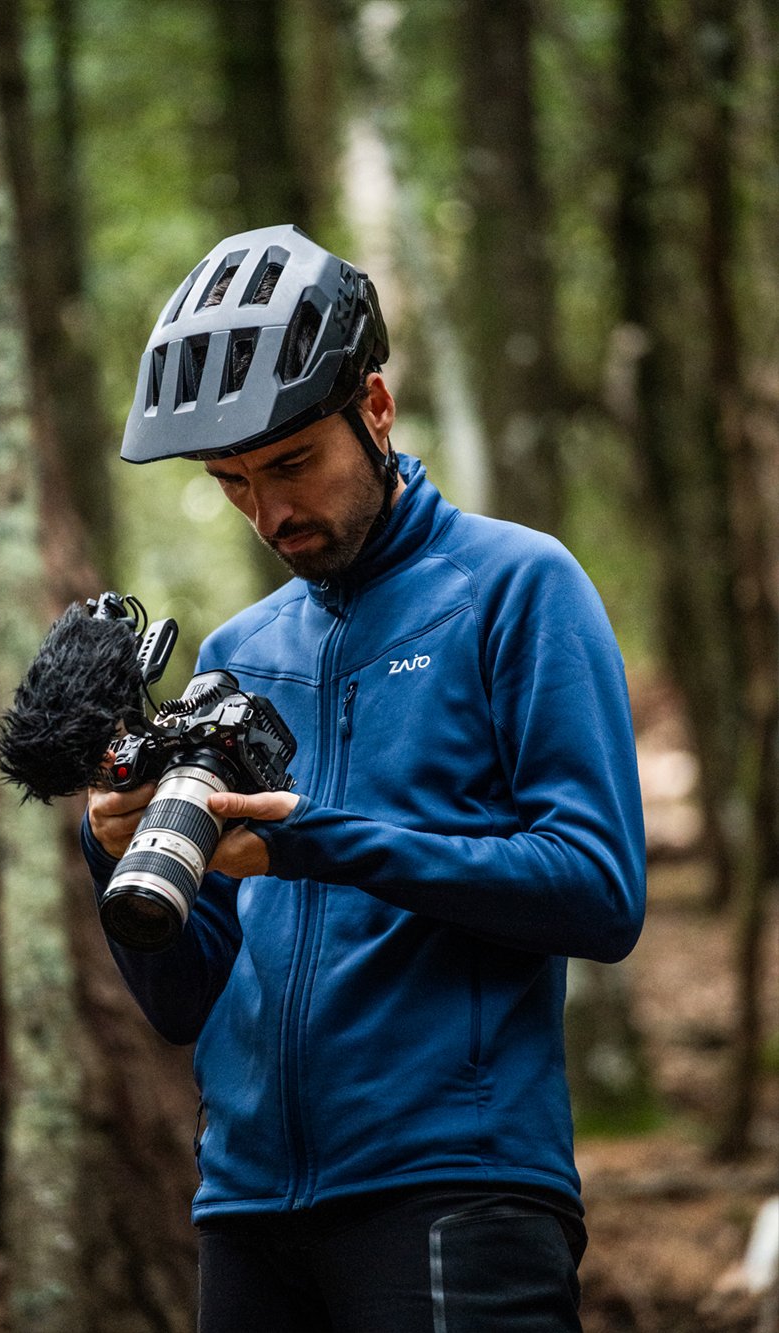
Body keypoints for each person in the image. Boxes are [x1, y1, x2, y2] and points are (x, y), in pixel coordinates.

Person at [83, 225, 644, 1331]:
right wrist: (112, 853)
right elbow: (185, 997)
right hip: (244, 1206)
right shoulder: (238, 654)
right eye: (233, 482)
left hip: (455, 1186)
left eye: (292, 464)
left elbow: (596, 888)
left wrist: (317, 839)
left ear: (374, 409)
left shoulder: (515, 588)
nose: (271, 513)